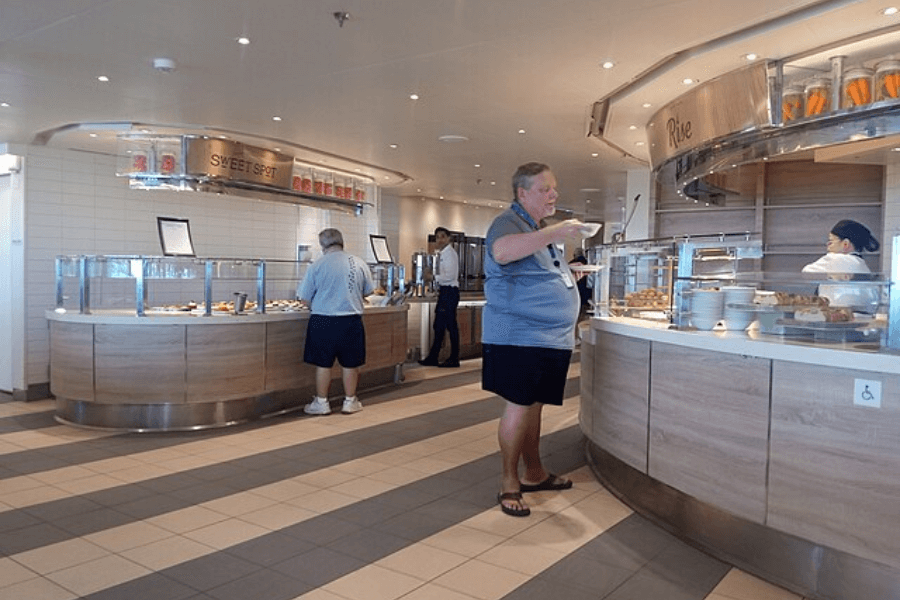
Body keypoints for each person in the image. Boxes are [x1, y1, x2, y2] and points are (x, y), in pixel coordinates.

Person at [483, 162, 585, 518]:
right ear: (522, 193)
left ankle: (534, 472)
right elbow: (502, 252)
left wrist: (569, 274)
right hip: (519, 337)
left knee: (534, 407)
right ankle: (509, 481)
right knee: (520, 406)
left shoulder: (537, 229)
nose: (553, 195)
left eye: (554, 188)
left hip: (546, 338)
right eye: (545, 189)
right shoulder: (508, 223)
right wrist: (556, 232)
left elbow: (534, 273)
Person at [297, 228, 375, 415]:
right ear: (342, 242)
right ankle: (350, 401)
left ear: (323, 245)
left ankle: (321, 403)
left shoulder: (317, 265)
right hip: (351, 320)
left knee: (323, 364)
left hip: (323, 320)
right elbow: (368, 291)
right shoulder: (358, 262)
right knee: (350, 363)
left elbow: (304, 298)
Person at [802, 219, 881, 310]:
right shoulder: (861, 264)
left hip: (835, 316)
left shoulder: (836, 259)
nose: (828, 245)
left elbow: (806, 272)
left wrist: (828, 274)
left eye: (831, 241)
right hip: (861, 318)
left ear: (845, 244)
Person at [418, 227, 461, 368]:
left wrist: (432, 277)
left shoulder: (450, 254)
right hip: (445, 292)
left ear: (448, 238)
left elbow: (449, 276)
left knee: (450, 326)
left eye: (443, 236)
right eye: (437, 237)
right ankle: (433, 357)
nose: (440, 239)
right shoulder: (441, 254)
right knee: (439, 326)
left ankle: (454, 358)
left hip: (450, 292)